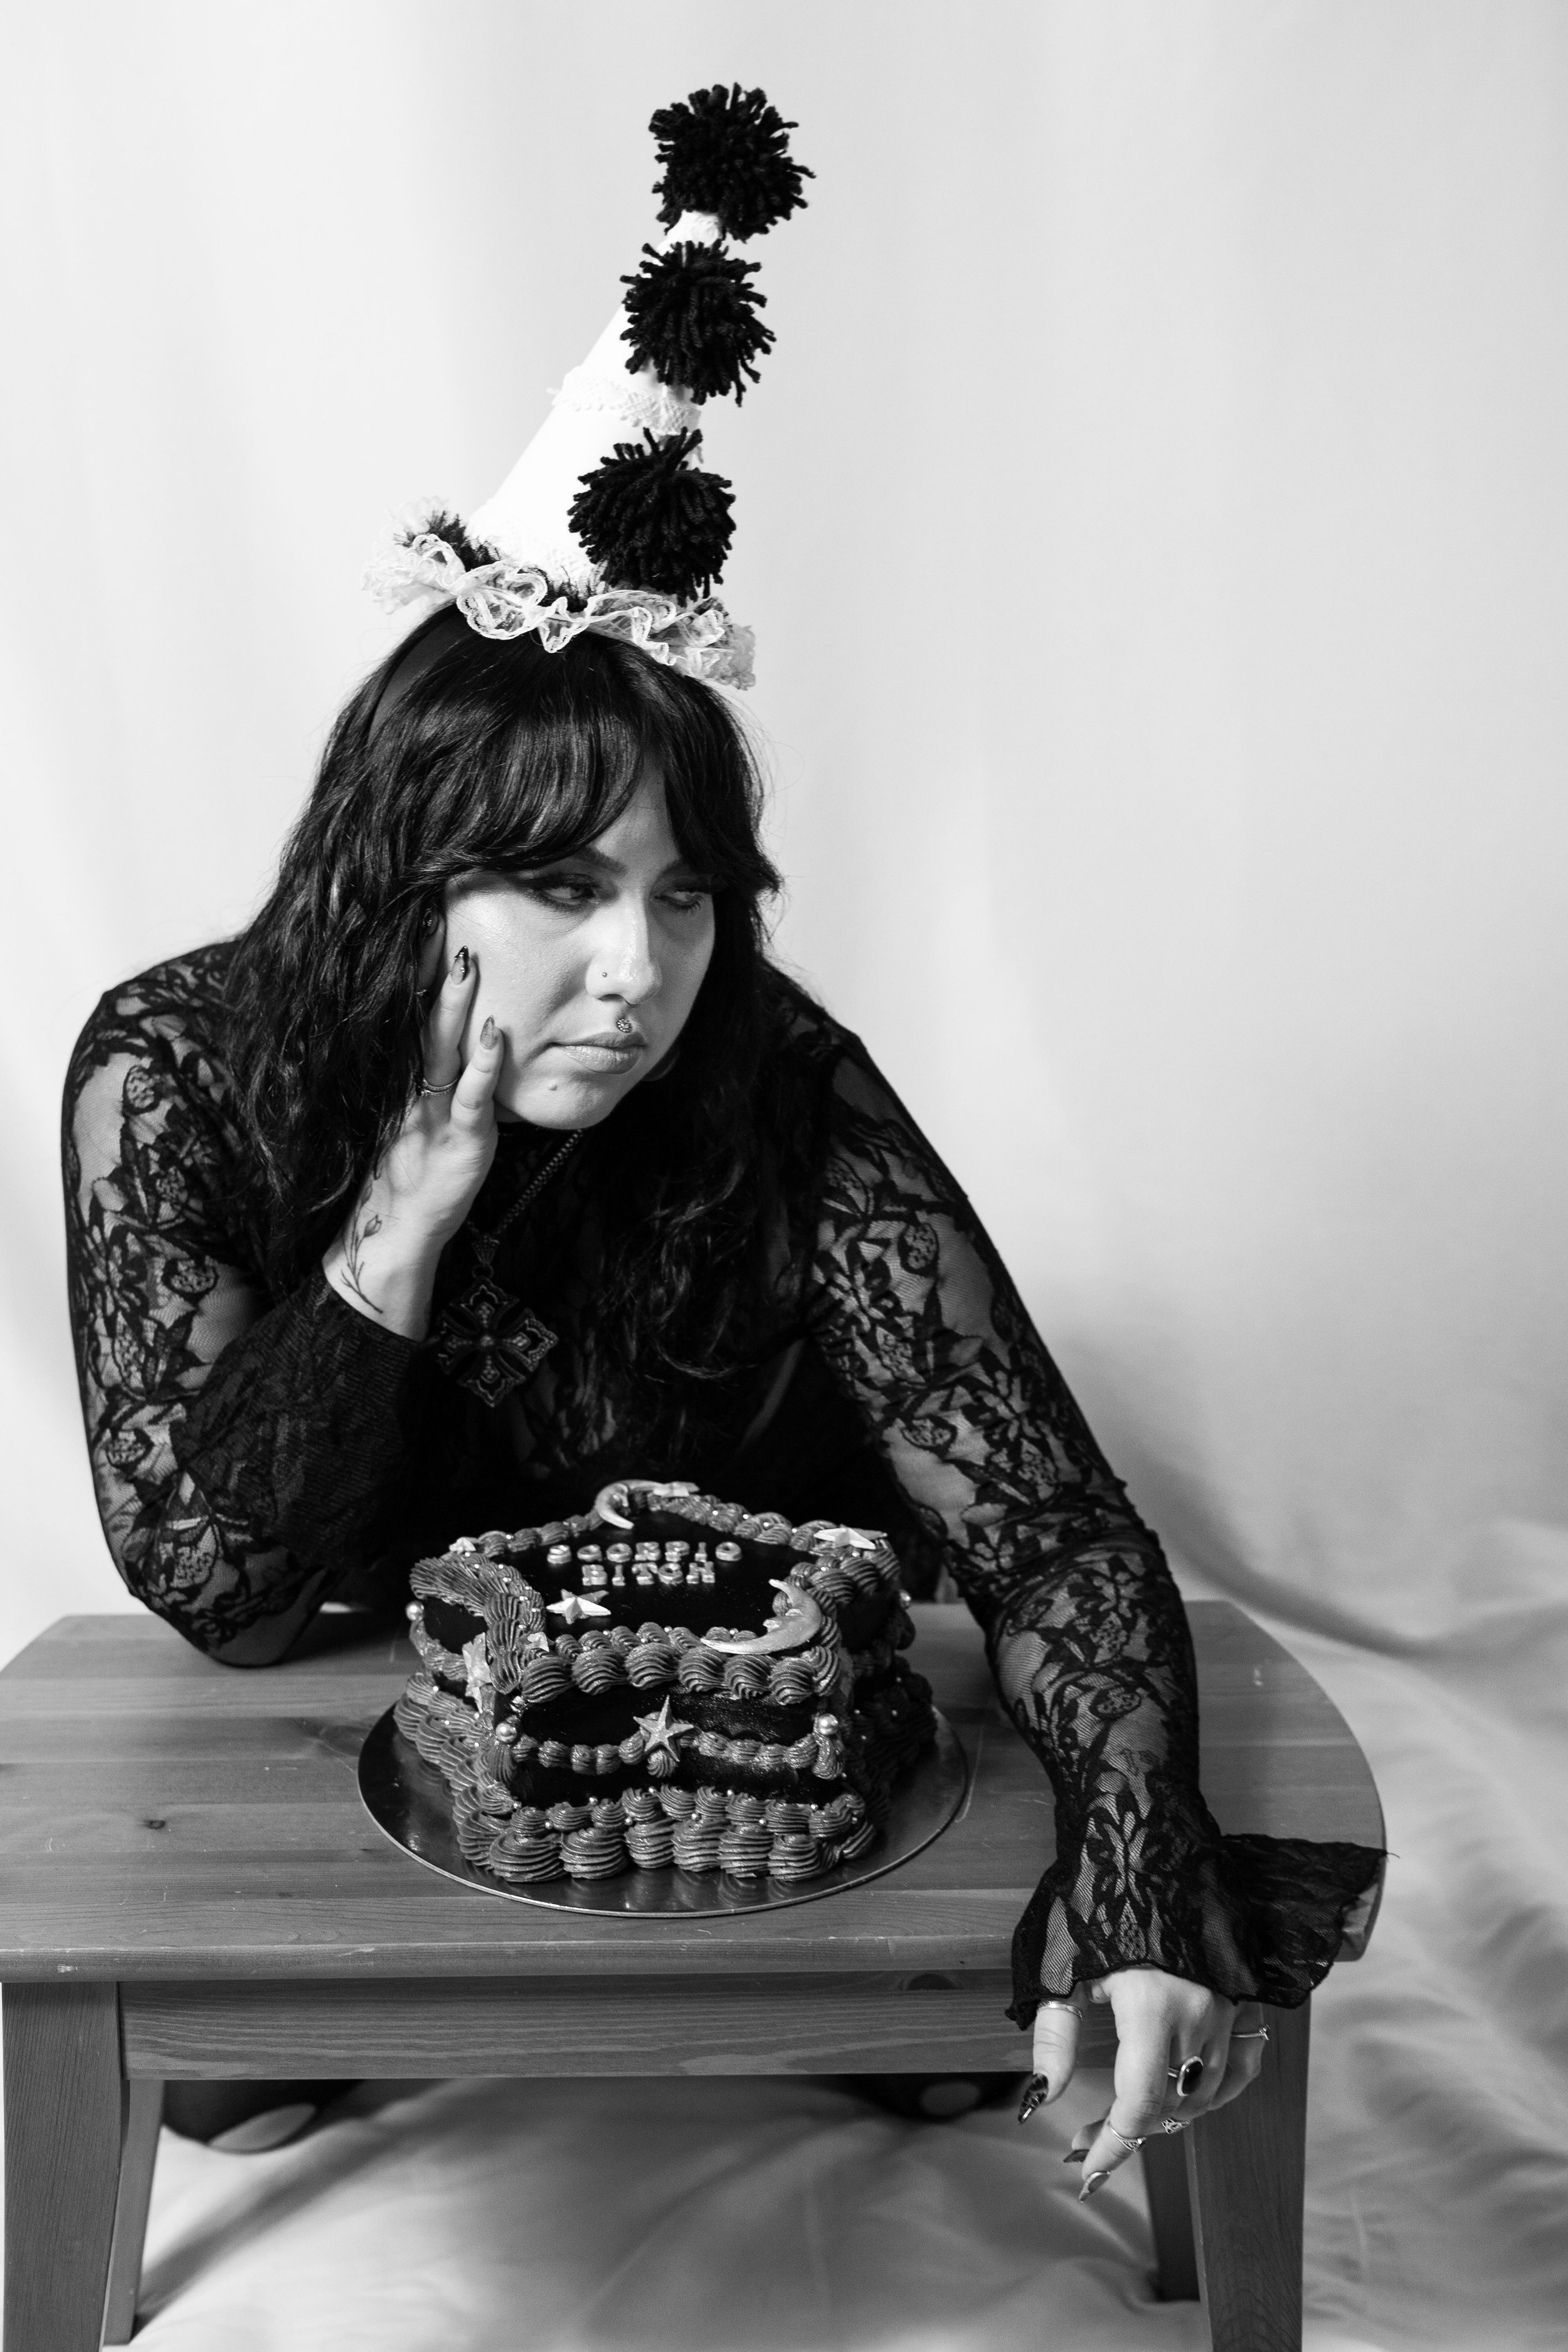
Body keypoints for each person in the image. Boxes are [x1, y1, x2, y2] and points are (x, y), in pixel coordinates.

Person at [63, 608, 1380, 2171]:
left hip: (789, 1737)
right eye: (565, 888)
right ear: (402, 872)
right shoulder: (187, 1068)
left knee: (977, 2027)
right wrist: (396, 1229)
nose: (636, 971)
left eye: (680, 896)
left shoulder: (770, 1070)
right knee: (209, 2061)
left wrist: (1140, 1877)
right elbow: (225, 1605)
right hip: (389, 1716)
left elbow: (1049, 1529)